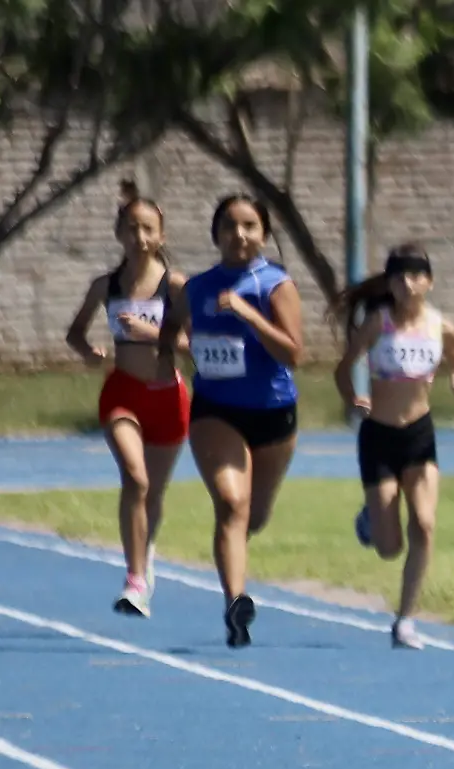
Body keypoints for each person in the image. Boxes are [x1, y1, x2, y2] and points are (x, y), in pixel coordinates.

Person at [158, 193, 305, 648]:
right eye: (229, 227)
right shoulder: (197, 288)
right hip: (215, 410)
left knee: (253, 516)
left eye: (249, 226)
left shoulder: (275, 285)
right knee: (230, 503)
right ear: (216, 234)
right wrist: (178, 347)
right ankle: (235, 605)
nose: (239, 235)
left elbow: (293, 353)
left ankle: (237, 572)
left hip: (273, 412)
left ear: (263, 234)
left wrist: (247, 314)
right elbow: (174, 331)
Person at [333, 244, 454, 650]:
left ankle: (405, 620)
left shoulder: (442, 327)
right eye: (398, 276)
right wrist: (352, 399)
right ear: (390, 283)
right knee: (389, 547)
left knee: (425, 525)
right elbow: (344, 368)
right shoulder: (377, 324)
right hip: (379, 436)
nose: (407, 283)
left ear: (429, 281)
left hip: (419, 435)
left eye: (416, 275)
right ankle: (370, 519)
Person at [64, 181, 191, 617]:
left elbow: (193, 344)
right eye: (131, 228)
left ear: (161, 236)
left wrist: (149, 332)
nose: (139, 238)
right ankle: (134, 581)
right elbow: (75, 330)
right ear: (119, 233)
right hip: (122, 394)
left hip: (169, 397)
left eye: (148, 229)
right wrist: (86, 350)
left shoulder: (175, 286)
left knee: (152, 492)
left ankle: (145, 553)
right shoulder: (107, 286)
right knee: (135, 481)